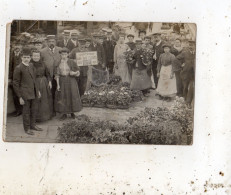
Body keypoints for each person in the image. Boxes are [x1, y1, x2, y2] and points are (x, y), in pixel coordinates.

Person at [13, 47, 43, 135]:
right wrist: (20, 97)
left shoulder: (31, 66)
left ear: (30, 58)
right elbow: (15, 83)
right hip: (25, 94)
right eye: (24, 57)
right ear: (21, 58)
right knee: (26, 112)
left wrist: (37, 91)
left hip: (33, 93)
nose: (26, 59)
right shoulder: (18, 68)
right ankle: (27, 129)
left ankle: (33, 125)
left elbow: (34, 80)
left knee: (34, 109)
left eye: (28, 57)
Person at [55, 48, 82, 120]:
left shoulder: (71, 62)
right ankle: (64, 113)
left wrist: (74, 73)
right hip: (62, 80)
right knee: (63, 96)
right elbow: (57, 74)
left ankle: (72, 112)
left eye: (65, 54)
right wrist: (58, 85)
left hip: (71, 80)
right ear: (60, 55)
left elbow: (78, 71)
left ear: (68, 54)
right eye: (62, 54)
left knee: (71, 95)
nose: (64, 56)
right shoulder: (58, 62)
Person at [40, 35, 62, 115]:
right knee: (49, 93)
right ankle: (51, 111)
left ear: (55, 42)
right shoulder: (42, 52)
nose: (51, 43)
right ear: (46, 42)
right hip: (48, 76)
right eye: (49, 41)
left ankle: (59, 109)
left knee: (58, 92)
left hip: (58, 75)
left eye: (53, 41)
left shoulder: (60, 50)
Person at [31, 49, 53, 122]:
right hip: (34, 83)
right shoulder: (30, 65)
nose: (36, 57)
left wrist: (49, 81)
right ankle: (37, 118)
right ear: (32, 56)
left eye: (37, 56)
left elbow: (48, 74)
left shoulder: (43, 64)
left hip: (44, 83)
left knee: (45, 100)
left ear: (40, 56)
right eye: (34, 56)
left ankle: (45, 116)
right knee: (36, 100)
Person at [174, 40, 196, 108]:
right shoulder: (185, 53)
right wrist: (181, 65)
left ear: (195, 46)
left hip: (194, 73)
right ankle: (185, 100)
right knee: (185, 87)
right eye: (189, 45)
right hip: (186, 72)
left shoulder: (198, 53)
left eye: (192, 45)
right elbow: (176, 59)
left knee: (192, 86)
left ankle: (188, 102)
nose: (190, 46)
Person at [9, 44, 22, 117]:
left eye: (18, 48)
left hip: (22, 78)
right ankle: (18, 110)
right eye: (15, 48)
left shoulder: (23, 56)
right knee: (15, 94)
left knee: (22, 93)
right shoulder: (11, 56)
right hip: (14, 79)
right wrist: (10, 78)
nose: (17, 49)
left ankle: (23, 109)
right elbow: (10, 68)